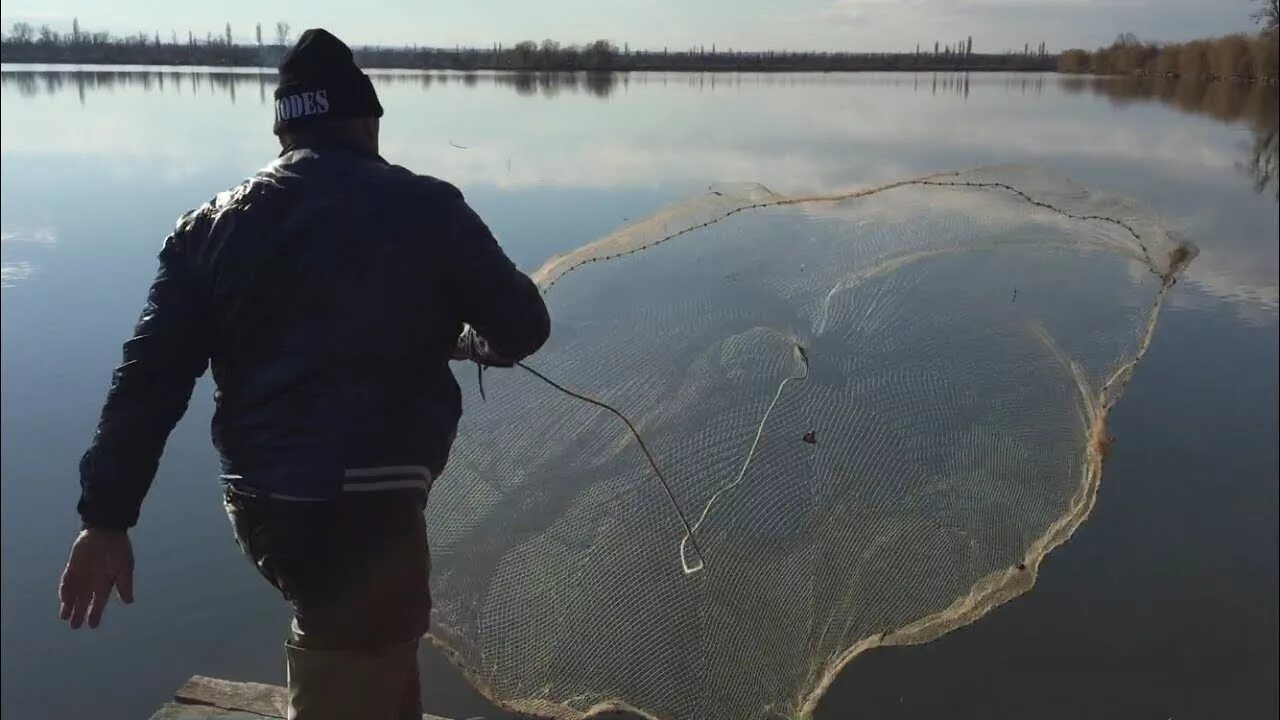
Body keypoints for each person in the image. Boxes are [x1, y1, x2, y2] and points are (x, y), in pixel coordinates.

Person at [56, 29, 550, 720]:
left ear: (285, 130)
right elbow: (524, 326)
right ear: (366, 120)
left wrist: (105, 519)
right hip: (374, 502)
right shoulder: (429, 207)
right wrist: (465, 338)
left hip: (263, 507)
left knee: (356, 631)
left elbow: (148, 381)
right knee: (364, 639)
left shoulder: (206, 230)